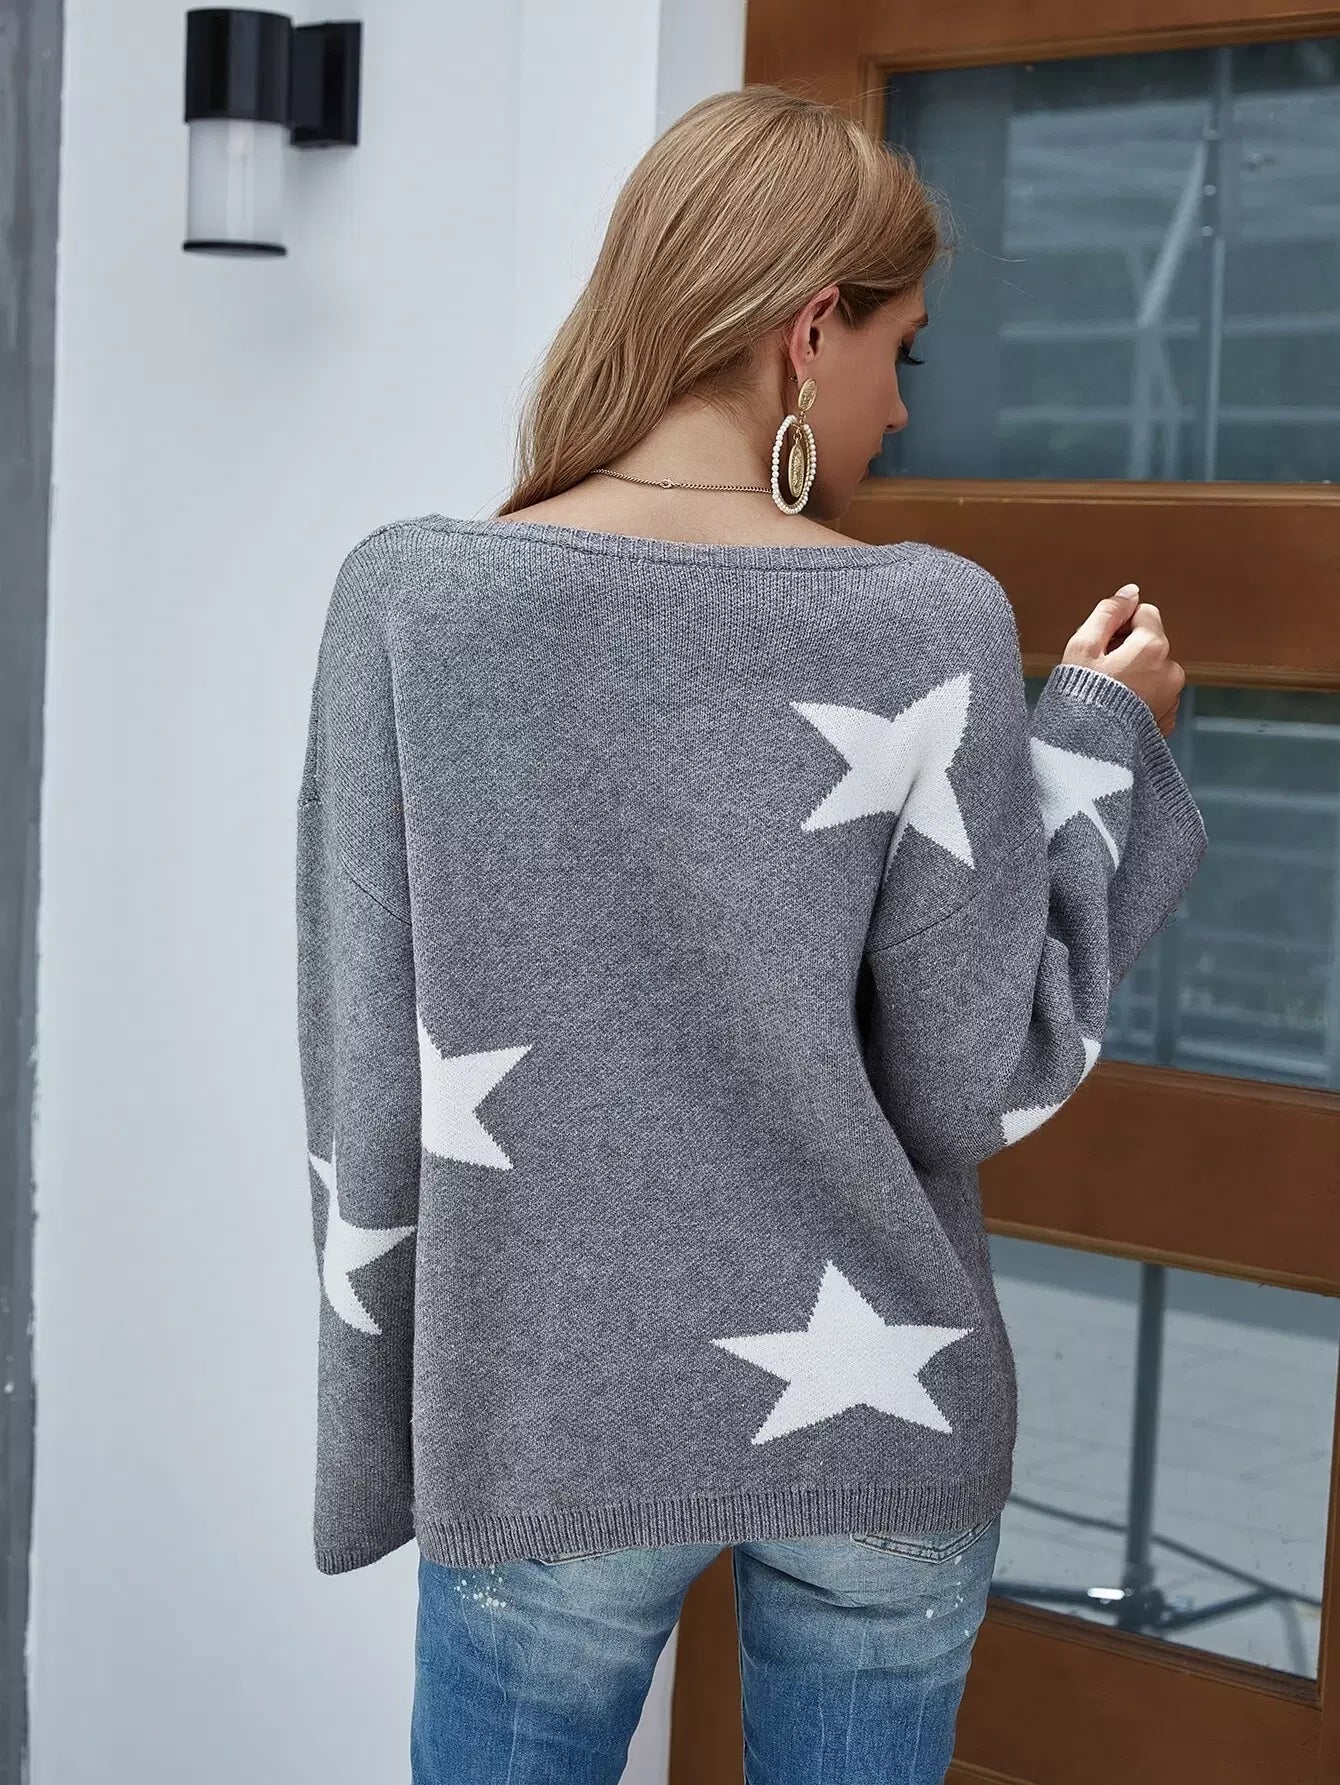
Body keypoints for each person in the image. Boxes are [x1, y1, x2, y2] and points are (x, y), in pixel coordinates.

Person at [294, 85, 1206, 1785]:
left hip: (545, 1409)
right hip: (887, 1408)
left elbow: (365, 1052)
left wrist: (393, 1427)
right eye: (902, 353)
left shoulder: (412, 600)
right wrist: (1095, 749)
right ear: (809, 330)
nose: (902, 411)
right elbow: (973, 1074)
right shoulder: (929, 616)